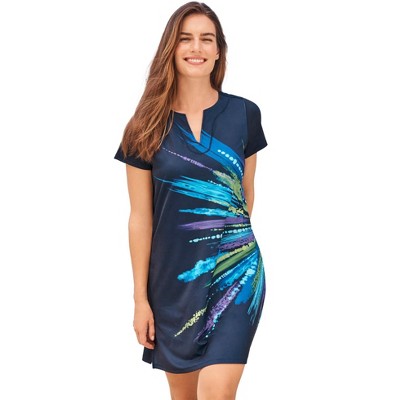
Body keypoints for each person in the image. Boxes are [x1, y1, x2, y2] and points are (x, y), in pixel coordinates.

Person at [114, 2, 268, 399]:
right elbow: (140, 218)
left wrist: (227, 244)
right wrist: (140, 299)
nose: (196, 47)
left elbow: (245, 194)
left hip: (236, 271)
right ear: (171, 47)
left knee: (217, 392)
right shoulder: (144, 126)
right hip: (173, 283)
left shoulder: (245, 114)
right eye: (185, 39)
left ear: (218, 51)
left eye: (206, 39)